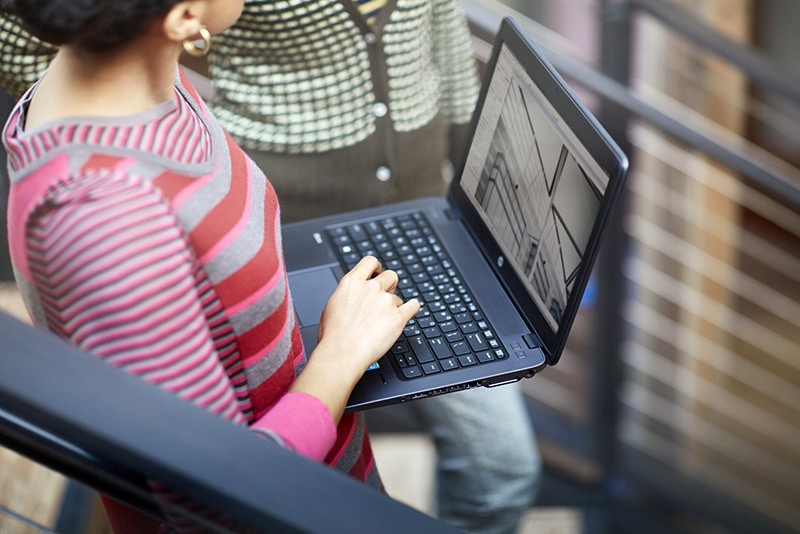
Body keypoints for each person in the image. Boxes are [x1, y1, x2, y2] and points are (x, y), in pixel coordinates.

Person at [0, 1, 542, 531]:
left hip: (319, 471)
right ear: (183, 17)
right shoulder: (109, 221)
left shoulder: (149, 88)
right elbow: (215, 491)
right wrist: (341, 353)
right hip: (288, 506)